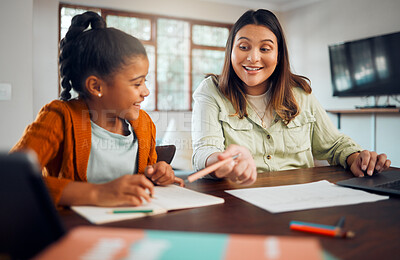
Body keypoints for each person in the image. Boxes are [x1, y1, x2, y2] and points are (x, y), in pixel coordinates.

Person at [191, 9, 391, 185]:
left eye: (265, 48)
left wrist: (356, 158)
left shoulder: (300, 93)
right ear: (230, 51)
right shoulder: (211, 90)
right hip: (237, 198)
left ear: (278, 55)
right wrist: (225, 162)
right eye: (243, 47)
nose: (253, 58)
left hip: (300, 197)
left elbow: (334, 145)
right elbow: (204, 152)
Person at [10, 11, 183, 207]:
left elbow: (145, 175)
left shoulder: (144, 124)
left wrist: (158, 174)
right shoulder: (59, 117)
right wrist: (96, 193)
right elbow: (11, 179)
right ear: (96, 87)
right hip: (72, 228)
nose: (146, 92)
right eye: (137, 84)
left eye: (146, 81)